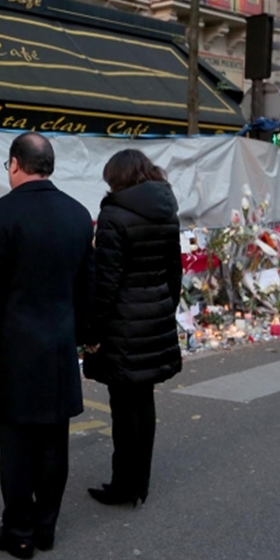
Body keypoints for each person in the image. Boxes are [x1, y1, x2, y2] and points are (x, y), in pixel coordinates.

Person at [0, 132, 94, 560]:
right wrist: (86, 336)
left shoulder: (1, 214)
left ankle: (18, 530)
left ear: (15, 164)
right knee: (55, 440)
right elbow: (85, 285)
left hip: (12, 346)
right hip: (58, 345)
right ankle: (46, 526)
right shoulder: (78, 214)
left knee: (16, 442)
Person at [83, 149, 182, 507]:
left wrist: (91, 331)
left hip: (122, 323)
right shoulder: (166, 210)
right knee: (144, 402)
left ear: (117, 178)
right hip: (154, 317)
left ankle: (124, 486)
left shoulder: (113, 215)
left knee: (124, 407)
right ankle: (140, 482)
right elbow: (175, 270)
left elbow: (106, 281)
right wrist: (165, 309)